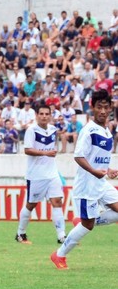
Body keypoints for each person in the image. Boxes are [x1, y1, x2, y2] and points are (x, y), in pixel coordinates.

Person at [51, 90, 118, 269]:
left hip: (101, 183)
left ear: (110, 108)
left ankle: (83, 221)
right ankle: (59, 255)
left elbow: (96, 157)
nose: (103, 111)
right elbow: (79, 156)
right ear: (92, 108)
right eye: (99, 107)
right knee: (88, 226)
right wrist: (95, 171)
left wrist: (108, 169)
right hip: (87, 185)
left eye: (106, 107)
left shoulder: (106, 130)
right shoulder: (88, 130)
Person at [15, 105, 66, 245]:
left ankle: (62, 236)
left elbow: (52, 147)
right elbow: (27, 150)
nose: (44, 116)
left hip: (52, 173)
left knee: (57, 202)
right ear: (36, 115)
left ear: (50, 115)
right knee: (31, 205)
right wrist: (45, 153)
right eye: (41, 114)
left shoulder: (53, 129)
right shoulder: (31, 130)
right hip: (36, 175)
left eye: (46, 114)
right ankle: (20, 233)